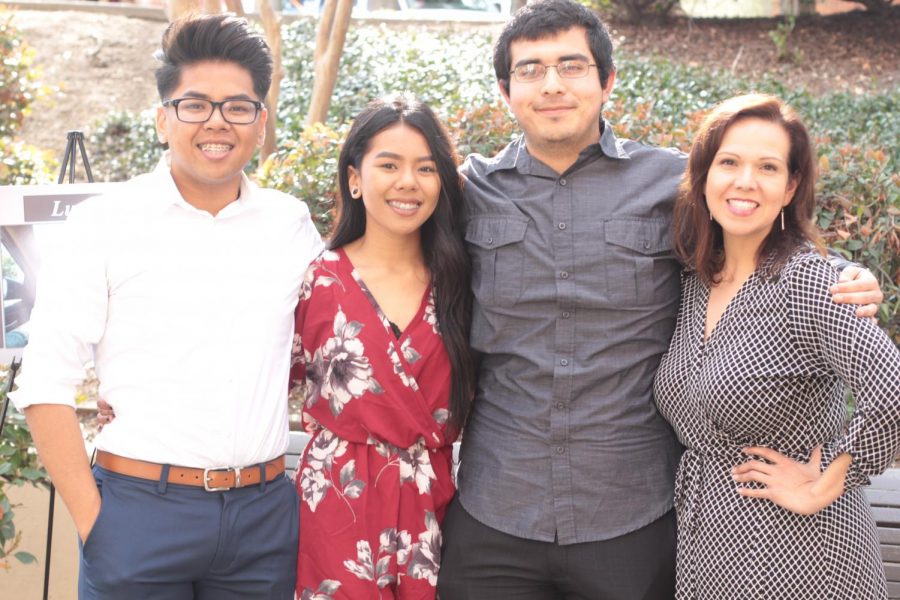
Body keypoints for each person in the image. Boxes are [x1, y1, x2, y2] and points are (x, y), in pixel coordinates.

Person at [436, 1, 885, 599]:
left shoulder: (673, 185)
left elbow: (750, 218)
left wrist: (844, 276)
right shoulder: (470, 191)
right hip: (497, 509)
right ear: (505, 89)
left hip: (631, 520)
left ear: (607, 81)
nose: (552, 85)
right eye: (530, 69)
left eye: (571, 65)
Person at [11, 14, 323, 599]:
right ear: (163, 118)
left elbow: (330, 339)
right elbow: (45, 384)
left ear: (259, 122)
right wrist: (95, 523)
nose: (217, 122)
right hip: (137, 514)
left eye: (238, 106)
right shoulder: (104, 222)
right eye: (195, 104)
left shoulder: (291, 224)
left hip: (263, 518)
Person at [653, 93, 900, 599]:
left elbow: (892, 390)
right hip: (708, 546)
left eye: (767, 167)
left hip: (804, 553)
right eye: (729, 162)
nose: (745, 181)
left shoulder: (805, 281)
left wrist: (824, 483)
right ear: (703, 177)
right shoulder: (696, 280)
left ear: (789, 188)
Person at [291, 95, 475, 599]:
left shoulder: (463, 281)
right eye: (388, 165)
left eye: (425, 167)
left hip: (436, 503)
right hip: (337, 501)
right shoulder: (316, 280)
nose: (407, 182)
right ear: (355, 177)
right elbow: (257, 372)